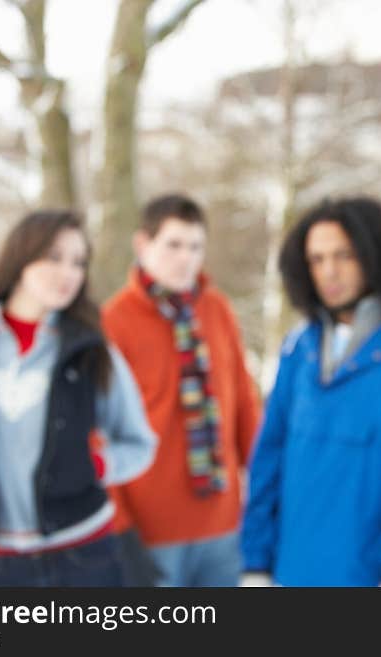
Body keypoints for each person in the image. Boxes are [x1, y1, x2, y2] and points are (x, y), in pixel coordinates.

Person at [0, 210, 156, 586]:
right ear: (21, 257)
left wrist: (95, 466)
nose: (68, 272)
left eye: (78, 262)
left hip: (85, 553)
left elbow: (139, 442)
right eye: (54, 257)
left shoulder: (90, 348)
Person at [241, 196, 381, 586]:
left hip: (369, 578)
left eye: (344, 255)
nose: (329, 271)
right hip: (289, 573)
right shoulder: (298, 348)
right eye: (317, 259)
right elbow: (268, 459)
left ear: (377, 256)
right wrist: (255, 563)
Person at [101, 193, 261, 587]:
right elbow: (97, 431)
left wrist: (263, 494)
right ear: (143, 245)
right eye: (173, 245)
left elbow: (244, 404)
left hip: (222, 527)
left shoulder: (217, 309)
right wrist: (119, 527)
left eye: (195, 246)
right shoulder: (113, 321)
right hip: (149, 530)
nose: (186, 258)